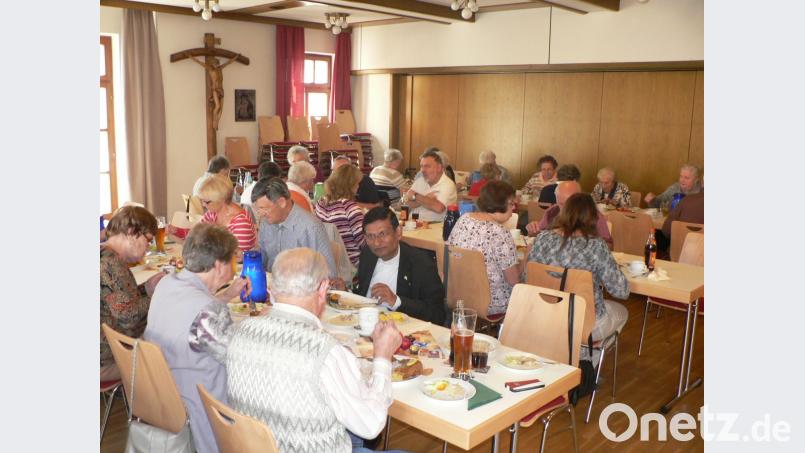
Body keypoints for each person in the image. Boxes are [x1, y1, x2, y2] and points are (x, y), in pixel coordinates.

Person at [226, 248, 406, 453]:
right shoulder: (325, 352)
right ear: (323, 288)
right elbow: (371, 425)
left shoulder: (240, 331)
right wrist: (382, 358)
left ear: (272, 289)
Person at [144, 223, 250, 453]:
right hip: (200, 405)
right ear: (219, 265)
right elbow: (238, 358)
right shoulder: (209, 312)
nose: (235, 267)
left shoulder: (166, 284)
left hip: (163, 389)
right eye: (233, 260)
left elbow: (193, 317)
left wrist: (227, 295)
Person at [528, 193, 630, 343]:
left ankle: (570, 348)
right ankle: (590, 353)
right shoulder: (596, 245)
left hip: (546, 314)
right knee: (622, 311)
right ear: (593, 217)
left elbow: (527, 278)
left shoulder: (542, 238)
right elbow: (622, 291)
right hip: (584, 322)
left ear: (564, 212)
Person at [332, 207, 446, 325]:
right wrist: (346, 293)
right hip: (365, 323)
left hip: (401, 329)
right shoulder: (368, 254)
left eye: (382, 234)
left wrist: (396, 301)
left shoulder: (421, 264)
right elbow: (363, 295)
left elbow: (437, 314)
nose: (376, 243)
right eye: (370, 236)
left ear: (398, 233)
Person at [100, 206, 165, 381]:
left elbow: (117, 298)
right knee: (172, 347)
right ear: (131, 232)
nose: (148, 246)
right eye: (148, 240)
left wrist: (146, 288)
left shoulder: (103, 253)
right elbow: (129, 317)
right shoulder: (111, 263)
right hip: (106, 360)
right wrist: (157, 296)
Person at [447, 181, 523, 317]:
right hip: (491, 304)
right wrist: (527, 258)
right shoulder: (500, 233)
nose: (514, 208)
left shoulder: (463, 219)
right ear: (501, 203)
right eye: (512, 203)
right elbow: (513, 280)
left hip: (458, 295)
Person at [251, 177, 337, 276]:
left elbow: (329, 273)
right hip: (271, 283)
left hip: (301, 284)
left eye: (263, 208)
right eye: (258, 209)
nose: (260, 214)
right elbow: (262, 258)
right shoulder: (266, 223)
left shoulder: (311, 227)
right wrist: (250, 258)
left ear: (282, 202)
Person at [525, 181, 613, 248]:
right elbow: (540, 235)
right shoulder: (552, 212)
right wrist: (533, 231)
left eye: (569, 205)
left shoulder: (594, 215)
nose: (564, 209)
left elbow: (609, 246)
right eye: (561, 204)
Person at [314, 164, 366, 267]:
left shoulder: (321, 203)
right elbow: (363, 243)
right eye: (357, 183)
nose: (358, 186)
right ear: (349, 185)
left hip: (327, 260)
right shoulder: (350, 208)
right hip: (352, 262)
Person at [198, 175, 256, 252]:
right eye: (202, 200)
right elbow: (197, 237)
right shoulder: (212, 213)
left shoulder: (241, 222)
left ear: (221, 200)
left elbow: (237, 255)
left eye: (206, 202)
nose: (203, 205)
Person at [189, 54, 241, 130]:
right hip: (215, 90)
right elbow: (199, 62)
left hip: (221, 90)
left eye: (218, 63)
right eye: (215, 63)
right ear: (212, 64)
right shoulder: (210, 69)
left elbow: (229, 62)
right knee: (218, 106)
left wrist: (236, 57)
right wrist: (191, 57)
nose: (217, 64)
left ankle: (217, 122)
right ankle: (214, 120)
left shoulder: (220, 68)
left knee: (221, 109)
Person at [405, 149, 458, 222]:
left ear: (439, 168)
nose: (423, 170)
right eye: (421, 166)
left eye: (427, 166)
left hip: (433, 225)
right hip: (413, 223)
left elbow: (438, 208)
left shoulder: (448, 184)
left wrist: (415, 196)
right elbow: (406, 202)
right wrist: (426, 199)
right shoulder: (420, 180)